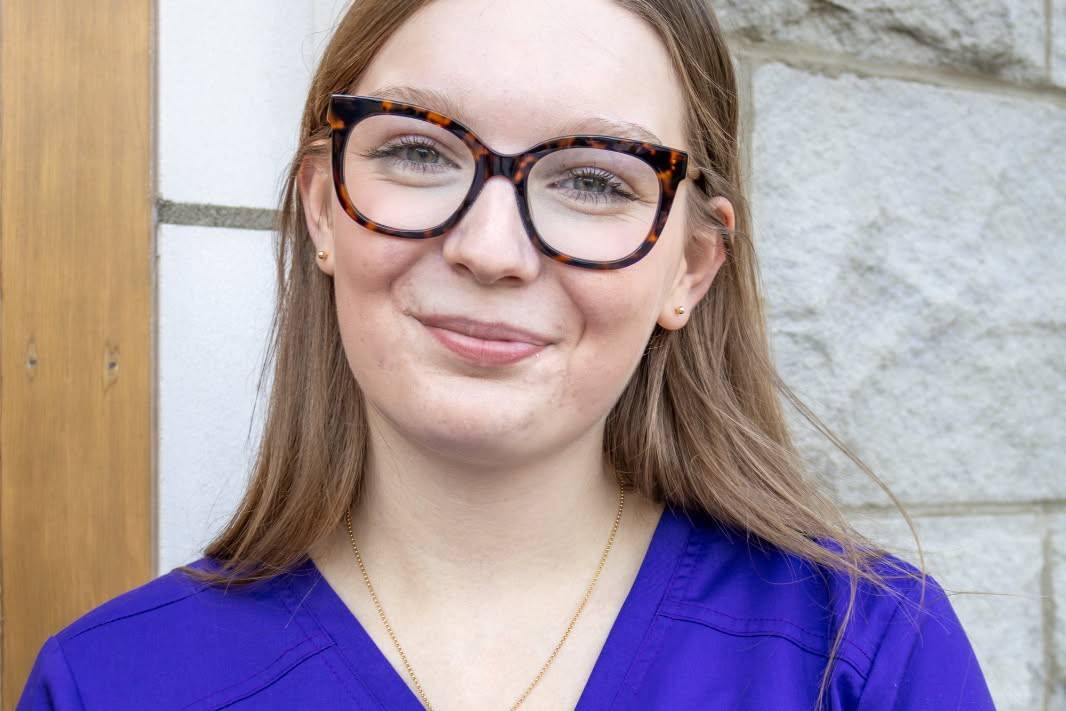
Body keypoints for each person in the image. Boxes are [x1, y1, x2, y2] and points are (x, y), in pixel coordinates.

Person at [19, 0, 998, 709]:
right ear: (323, 208)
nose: (489, 249)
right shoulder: (109, 684)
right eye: (417, 152)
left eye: (592, 181)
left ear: (690, 268)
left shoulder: (862, 655)